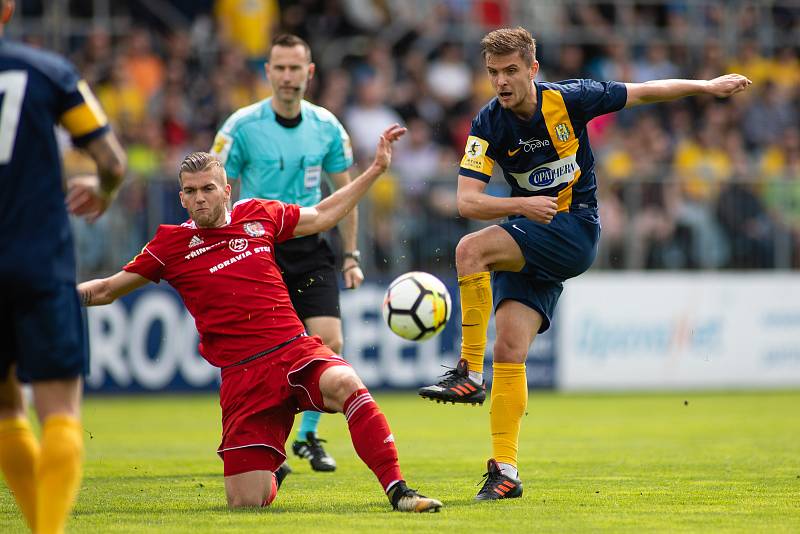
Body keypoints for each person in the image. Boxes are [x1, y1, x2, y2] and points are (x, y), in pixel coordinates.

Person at [418, 27, 752, 500]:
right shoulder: (487, 123)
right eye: (493, 73)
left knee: (469, 251)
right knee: (511, 350)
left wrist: (706, 86)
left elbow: (644, 92)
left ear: (532, 69)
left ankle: (469, 373)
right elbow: (466, 200)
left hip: (573, 229)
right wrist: (522, 206)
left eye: (511, 71)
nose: (502, 82)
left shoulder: (571, 99)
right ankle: (506, 472)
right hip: (533, 232)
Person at [77, 132, 443, 513]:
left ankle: (399, 490)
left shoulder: (258, 214)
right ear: (181, 197)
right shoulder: (169, 245)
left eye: (208, 188)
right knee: (245, 503)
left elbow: (323, 215)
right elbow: (106, 289)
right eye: (191, 191)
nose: (199, 197)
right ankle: (273, 470)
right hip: (243, 378)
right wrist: (53, 297)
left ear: (226, 191)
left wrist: (375, 170)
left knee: (346, 382)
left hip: (293, 350)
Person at [0, 1, 127, 532]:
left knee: (6, 411)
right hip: (38, 261)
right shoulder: (47, 71)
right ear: (7, 9)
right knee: (59, 411)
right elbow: (112, 161)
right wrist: (104, 189)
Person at [211, 34, 362, 473]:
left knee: (329, 340)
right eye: (280, 68)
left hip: (310, 242)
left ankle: (308, 435)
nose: (288, 77)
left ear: (309, 73)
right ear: (268, 72)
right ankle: (260, 443)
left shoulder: (327, 127)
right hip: (258, 246)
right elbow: (221, 189)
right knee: (263, 353)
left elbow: (344, 194)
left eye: (296, 68)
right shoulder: (240, 127)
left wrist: (351, 254)